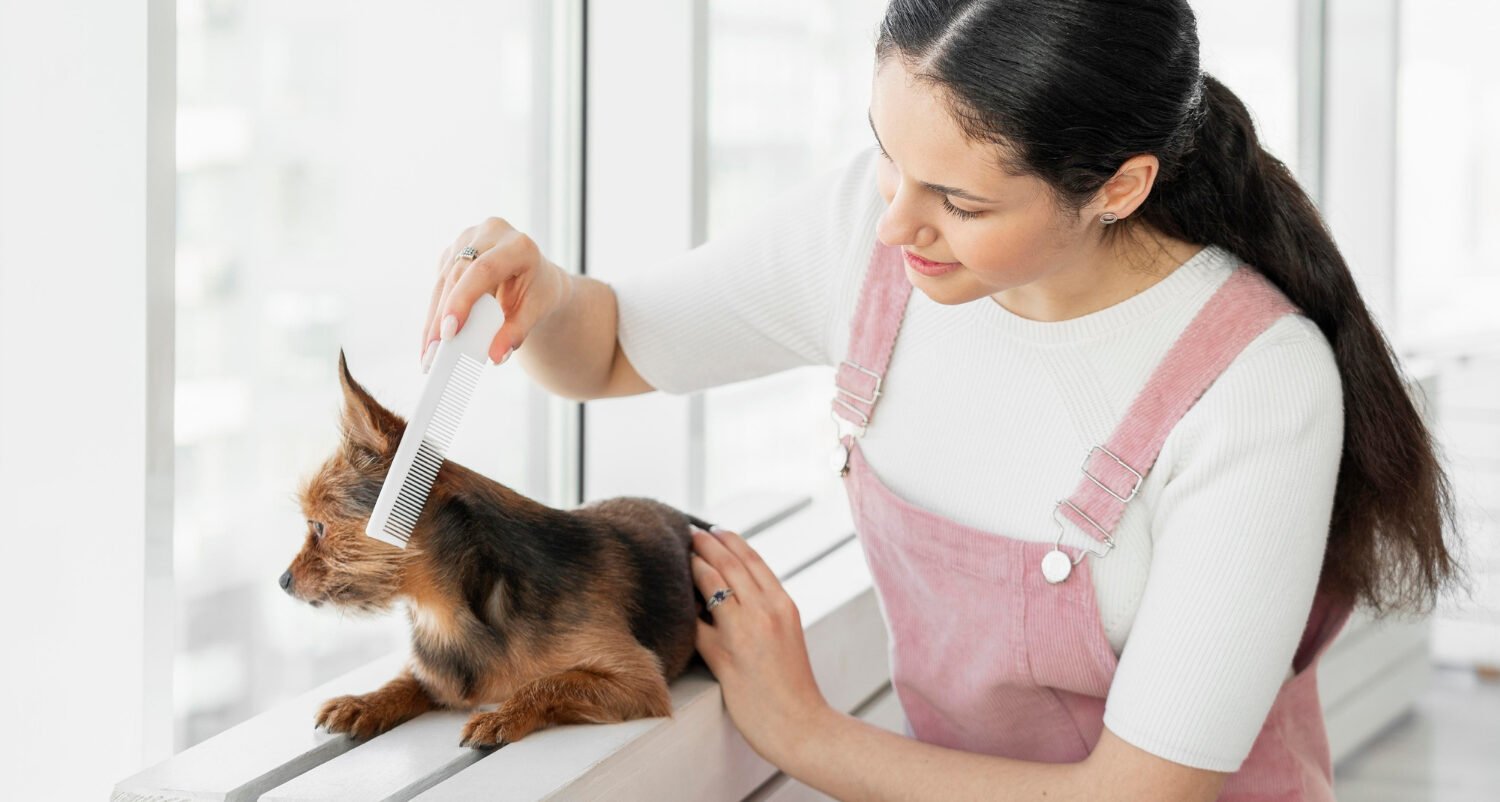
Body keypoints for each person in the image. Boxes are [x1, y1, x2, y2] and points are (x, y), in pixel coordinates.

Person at [416, 1, 1459, 799]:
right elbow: (606, 354)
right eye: (886, 154)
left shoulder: (1254, 387)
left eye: (960, 202)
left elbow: (1142, 792)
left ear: (1118, 187)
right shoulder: (865, 235)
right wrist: (540, 294)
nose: (893, 225)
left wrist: (806, 734)